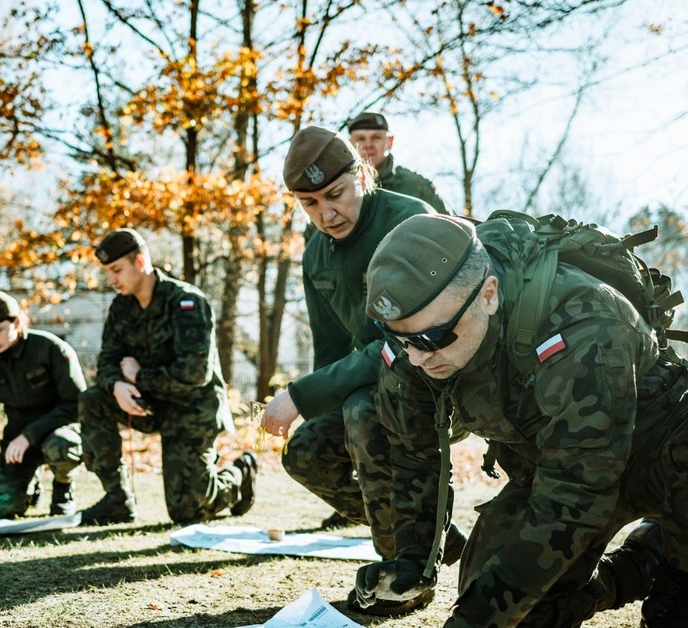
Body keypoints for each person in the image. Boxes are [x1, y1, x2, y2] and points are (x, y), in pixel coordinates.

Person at [355, 213, 688, 626]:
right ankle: (641, 565)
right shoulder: (412, 347)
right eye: (398, 338)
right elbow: (414, 457)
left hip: (656, 448)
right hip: (553, 465)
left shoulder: (580, 319)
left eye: (433, 338)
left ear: (488, 294)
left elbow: (578, 492)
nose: (415, 356)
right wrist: (413, 563)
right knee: (512, 609)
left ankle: (680, 593)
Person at [257, 125, 461, 615]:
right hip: (371, 381)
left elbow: (405, 339)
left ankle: (403, 574)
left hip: (440, 375)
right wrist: (312, 407)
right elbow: (330, 349)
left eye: (335, 195)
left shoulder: (409, 220)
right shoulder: (315, 252)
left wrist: (301, 395)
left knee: (360, 409)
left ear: (363, 174)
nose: (326, 214)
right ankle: (428, 527)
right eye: (308, 204)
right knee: (305, 452)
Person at [78, 228, 257, 526]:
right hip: (150, 404)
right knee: (93, 399)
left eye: (117, 270)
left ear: (140, 262)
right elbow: (107, 359)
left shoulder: (185, 302)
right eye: (108, 272)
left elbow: (195, 374)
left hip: (192, 409)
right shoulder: (121, 307)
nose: (112, 280)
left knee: (187, 512)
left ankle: (240, 474)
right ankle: (117, 499)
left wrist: (138, 375)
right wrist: (117, 385)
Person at [0, 291, 86, 519]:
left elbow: (77, 405)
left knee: (60, 446)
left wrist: (29, 435)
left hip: (61, 431)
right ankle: (30, 486)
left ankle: (63, 488)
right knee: (0, 506)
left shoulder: (51, 349)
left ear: (16, 322)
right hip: (17, 444)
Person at [346, 111, 451, 214]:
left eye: (376, 137)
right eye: (360, 139)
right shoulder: (340, 188)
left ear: (389, 142)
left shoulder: (417, 186)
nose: (368, 145)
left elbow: (452, 227)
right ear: (350, 144)